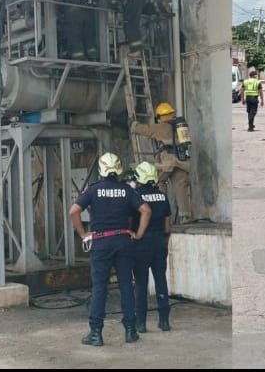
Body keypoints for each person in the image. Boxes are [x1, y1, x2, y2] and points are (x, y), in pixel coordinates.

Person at [69, 152, 151, 347]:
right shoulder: (127, 190)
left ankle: (96, 333)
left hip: (101, 243)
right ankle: (130, 331)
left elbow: (74, 211)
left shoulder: (93, 189)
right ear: (119, 169)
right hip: (123, 241)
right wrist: (138, 234)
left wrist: (83, 234)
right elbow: (146, 210)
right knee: (126, 285)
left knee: (100, 287)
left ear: (101, 170)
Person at [130, 102, 199, 223]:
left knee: (158, 182)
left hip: (167, 163)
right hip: (181, 161)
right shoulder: (179, 127)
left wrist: (133, 124)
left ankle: (160, 212)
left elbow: (146, 129)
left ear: (160, 116)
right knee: (181, 186)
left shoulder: (161, 127)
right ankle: (185, 216)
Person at [130, 161, 172, 333]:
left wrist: (134, 236)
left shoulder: (135, 196)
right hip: (159, 242)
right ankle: (164, 321)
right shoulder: (162, 196)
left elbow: (130, 221)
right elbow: (167, 225)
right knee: (161, 280)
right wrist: (164, 241)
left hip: (141, 244)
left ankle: (141, 323)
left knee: (141, 283)